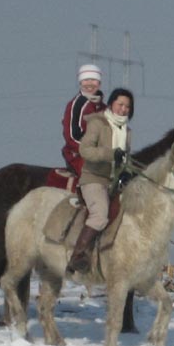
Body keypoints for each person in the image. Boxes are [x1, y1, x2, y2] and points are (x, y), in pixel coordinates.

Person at [67, 88, 134, 273]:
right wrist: (111, 154)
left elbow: (125, 159)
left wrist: (126, 171)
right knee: (100, 216)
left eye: (127, 106)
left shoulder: (127, 131)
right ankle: (77, 256)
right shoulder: (97, 123)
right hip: (94, 178)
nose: (123, 109)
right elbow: (85, 150)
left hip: (115, 182)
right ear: (111, 103)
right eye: (120, 104)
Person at [61, 63, 106, 178]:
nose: (90, 84)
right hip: (79, 155)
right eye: (86, 80)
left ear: (99, 83)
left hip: (104, 155)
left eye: (93, 80)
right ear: (80, 82)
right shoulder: (77, 104)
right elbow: (72, 135)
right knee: (97, 178)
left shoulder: (105, 108)